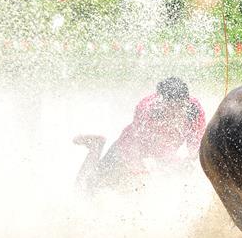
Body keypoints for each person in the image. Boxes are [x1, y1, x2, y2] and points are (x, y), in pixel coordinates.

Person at [74, 77, 206, 191]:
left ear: (186, 102)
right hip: (126, 148)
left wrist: (188, 161)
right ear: (162, 102)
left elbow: (195, 147)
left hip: (161, 156)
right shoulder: (146, 110)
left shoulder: (195, 112)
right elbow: (134, 147)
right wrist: (141, 172)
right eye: (171, 108)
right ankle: (95, 147)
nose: (175, 113)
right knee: (91, 185)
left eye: (179, 107)